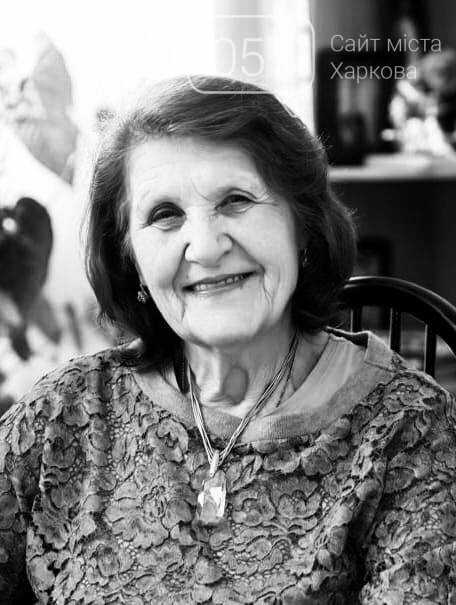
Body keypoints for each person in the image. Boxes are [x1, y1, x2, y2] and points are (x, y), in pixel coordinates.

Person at [0, 75, 455, 604]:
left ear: (302, 224)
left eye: (236, 200)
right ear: (131, 260)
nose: (205, 246)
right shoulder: (64, 412)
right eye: (165, 215)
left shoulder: (407, 432)